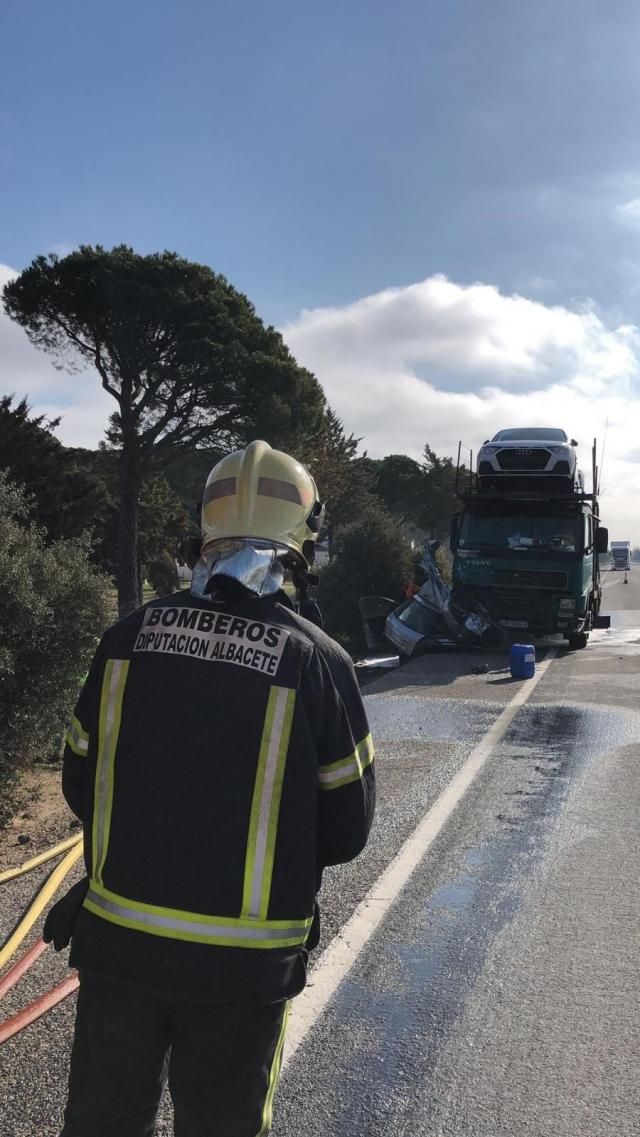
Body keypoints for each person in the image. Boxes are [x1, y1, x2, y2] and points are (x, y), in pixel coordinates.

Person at [50, 440, 375, 1137]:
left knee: (100, 1125)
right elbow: (348, 830)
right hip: (244, 972)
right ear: (302, 548)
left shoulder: (127, 637)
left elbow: (81, 784)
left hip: (118, 951)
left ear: (204, 537)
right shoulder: (319, 661)